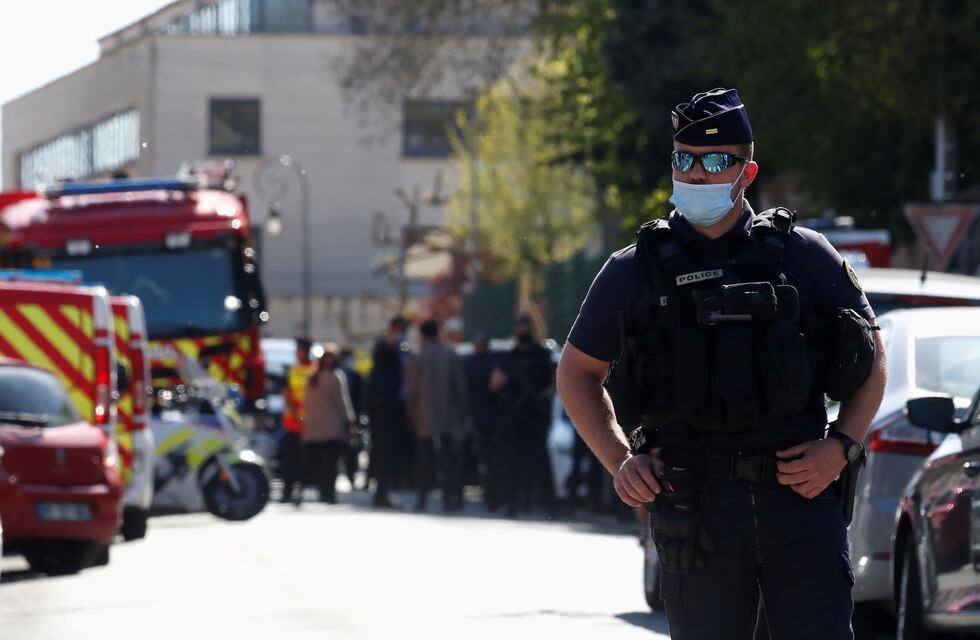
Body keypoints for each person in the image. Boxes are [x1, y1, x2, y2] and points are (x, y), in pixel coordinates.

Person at [556, 88, 887, 639]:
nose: (697, 175)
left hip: (799, 503)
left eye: (714, 161)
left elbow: (872, 354)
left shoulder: (805, 253)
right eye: (683, 160)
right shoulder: (633, 270)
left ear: (746, 171)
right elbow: (576, 373)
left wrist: (842, 446)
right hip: (695, 508)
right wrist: (620, 462)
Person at [492, 316, 556, 517]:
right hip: (514, 418)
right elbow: (495, 384)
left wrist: (541, 397)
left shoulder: (541, 355)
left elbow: (554, 384)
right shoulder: (510, 357)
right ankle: (513, 502)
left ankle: (533, 500)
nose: (522, 331)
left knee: (534, 461)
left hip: (536, 417)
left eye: (525, 327)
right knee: (512, 462)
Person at [405, 319, 469, 512]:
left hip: (423, 417)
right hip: (449, 415)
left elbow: (411, 391)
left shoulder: (417, 357)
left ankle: (422, 499)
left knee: (424, 460)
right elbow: (461, 388)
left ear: (423, 335)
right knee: (449, 459)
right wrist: (465, 413)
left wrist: (410, 415)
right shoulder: (450, 354)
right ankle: (450, 499)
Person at [301, 343, 356, 504]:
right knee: (331, 464)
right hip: (332, 427)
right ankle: (329, 493)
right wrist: (349, 421)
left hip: (314, 428)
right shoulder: (336, 376)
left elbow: (307, 403)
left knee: (319, 463)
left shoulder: (312, 377)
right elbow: (342, 402)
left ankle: (322, 491)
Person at [365, 316, 409, 507]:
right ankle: (380, 494)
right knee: (381, 453)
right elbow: (383, 348)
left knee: (388, 455)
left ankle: (383, 492)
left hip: (393, 411)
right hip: (382, 411)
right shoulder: (383, 348)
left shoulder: (401, 352)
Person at [463, 333, 505, 510]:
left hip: (492, 419)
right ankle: (489, 495)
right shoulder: (472, 363)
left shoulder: (491, 363)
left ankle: (493, 495)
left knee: (492, 460)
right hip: (478, 418)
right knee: (486, 460)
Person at [280, 336, 315, 504]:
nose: (297, 353)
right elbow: (287, 393)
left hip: (309, 424)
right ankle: (287, 492)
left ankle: (299, 492)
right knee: (289, 461)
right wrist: (296, 415)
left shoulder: (315, 370)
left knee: (305, 462)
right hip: (293, 423)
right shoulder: (292, 370)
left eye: (299, 349)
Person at [339, 346, 366, 488]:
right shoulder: (336, 374)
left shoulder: (357, 377)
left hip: (353, 418)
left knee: (352, 450)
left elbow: (361, 399)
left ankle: (351, 475)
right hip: (337, 419)